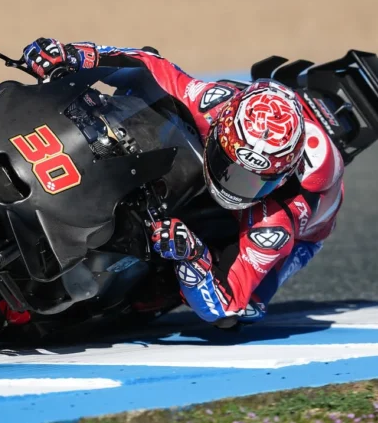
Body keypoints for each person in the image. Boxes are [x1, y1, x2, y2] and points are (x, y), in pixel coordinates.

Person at [21, 38, 345, 328]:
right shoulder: (213, 105)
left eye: (253, 181)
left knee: (241, 314)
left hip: (302, 233)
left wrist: (192, 255)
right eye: (228, 167)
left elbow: (225, 304)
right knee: (149, 103)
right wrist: (73, 55)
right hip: (236, 130)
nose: (233, 186)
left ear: (281, 179)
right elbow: (147, 65)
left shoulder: (277, 220)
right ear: (219, 131)